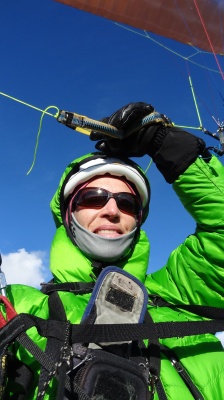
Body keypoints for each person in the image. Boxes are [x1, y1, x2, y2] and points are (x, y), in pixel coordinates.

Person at [0, 102, 224, 400]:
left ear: (138, 220)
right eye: (94, 198)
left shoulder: (181, 295)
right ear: (67, 215)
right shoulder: (17, 305)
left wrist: (166, 144)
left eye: (127, 203)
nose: (111, 210)